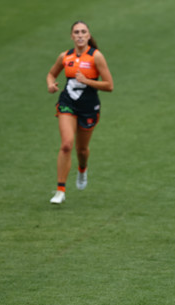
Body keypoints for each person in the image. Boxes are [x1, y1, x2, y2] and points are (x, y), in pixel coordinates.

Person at [46, 21, 114, 204]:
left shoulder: (96, 57)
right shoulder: (65, 56)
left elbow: (109, 86)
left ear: (89, 36)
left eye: (83, 31)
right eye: (76, 32)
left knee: (81, 150)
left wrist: (87, 81)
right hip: (67, 103)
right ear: (72, 36)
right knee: (66, 144)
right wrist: (51, 84)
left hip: (89, 107)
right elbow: (51, 74)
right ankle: (60, 190)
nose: (80, 35)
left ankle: (82, 170)